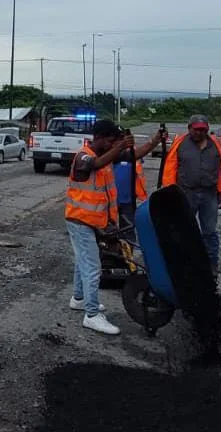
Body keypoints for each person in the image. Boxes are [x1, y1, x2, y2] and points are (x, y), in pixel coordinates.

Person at [65, 119, 138, 335]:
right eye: (110, 140)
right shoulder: (84, 156)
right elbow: (92, 165)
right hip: (79, 221)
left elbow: (134, 156)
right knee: (92, 267)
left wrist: (154, 141)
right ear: (99, 138)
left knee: (83, 261)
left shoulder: (105, 156)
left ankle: (79, 298)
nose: (113, 144)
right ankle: (92, 314)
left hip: (91, 222)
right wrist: (119, 147)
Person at [161, 114, 221, 269]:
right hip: (185, 193)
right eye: (196, 129)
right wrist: (170, 194)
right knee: (183, 229)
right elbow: (170, 170)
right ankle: (181, 265)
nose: (200, 132)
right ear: (189, 129)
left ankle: (210, 265)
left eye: (203, 129)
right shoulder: (180, 144)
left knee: (209, 231)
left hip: (209, 194)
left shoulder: (216, 144)